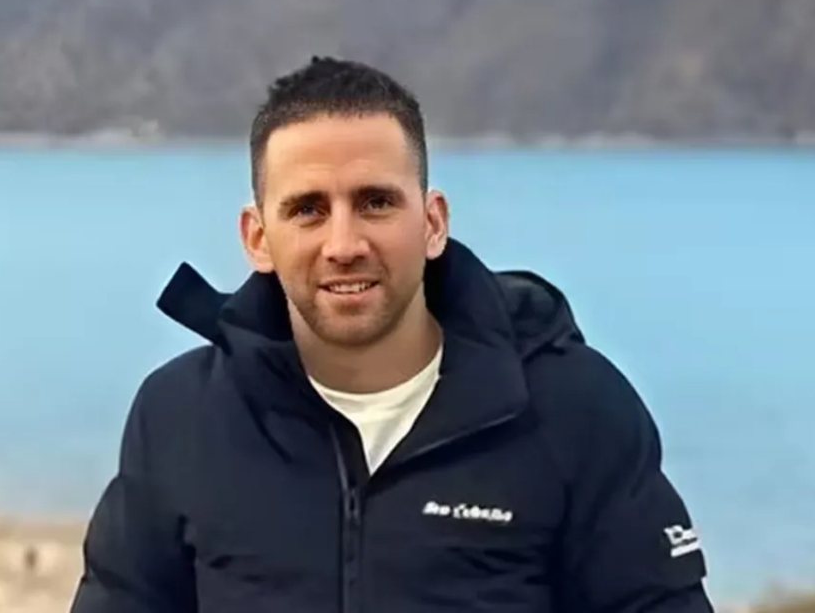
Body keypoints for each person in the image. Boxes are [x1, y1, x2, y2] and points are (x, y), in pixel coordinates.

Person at [70, 56, 714, 612]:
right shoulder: (181, 417)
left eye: (375, 202)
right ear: (257, 238)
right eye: (308, 209)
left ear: (433, 223)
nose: (343, 244)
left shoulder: (573, 408)